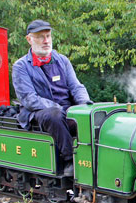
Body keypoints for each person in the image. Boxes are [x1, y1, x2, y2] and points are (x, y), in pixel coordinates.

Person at [12, 20, 91, 176]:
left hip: (67, 109)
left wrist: (84, 106)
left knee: (91, 115)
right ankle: (69, 160)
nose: (46, 41)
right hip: (39, 111)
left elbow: (76, 87)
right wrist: (59, 108)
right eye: (40, 37)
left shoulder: (62, 60)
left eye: (48, 36)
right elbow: (29, 99)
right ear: (29, 39)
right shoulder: (21, 66)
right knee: (54, 114)